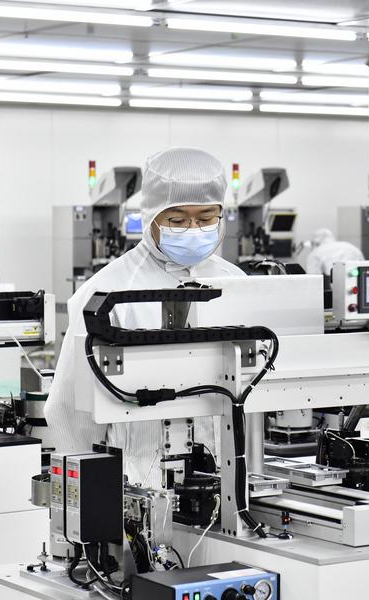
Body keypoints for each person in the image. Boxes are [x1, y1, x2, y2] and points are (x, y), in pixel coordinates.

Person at [45, 147, 245, 484]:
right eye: (177, 220)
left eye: (206, 218)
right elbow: (70, 412)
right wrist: (90, 491)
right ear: (150, 216)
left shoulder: (237, 283)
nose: (193, 229)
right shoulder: (108, 292)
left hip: (228, 480)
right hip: (138, 483)